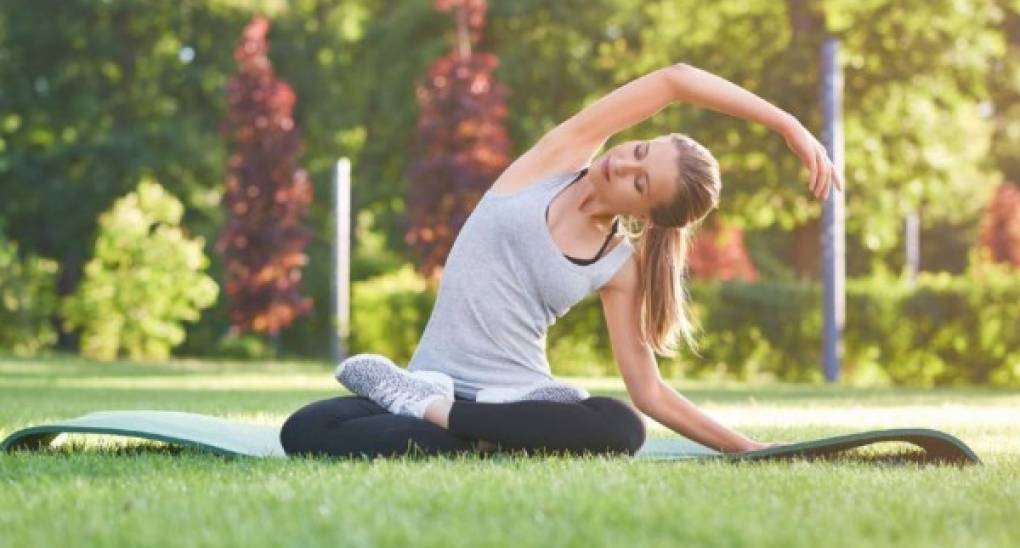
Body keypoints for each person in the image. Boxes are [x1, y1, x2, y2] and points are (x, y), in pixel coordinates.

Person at [280, 62, 843, 459]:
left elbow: (648, 394)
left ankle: (443, 421)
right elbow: (675, 79)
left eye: (640, 181)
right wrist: (787, 125)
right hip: (435, 379)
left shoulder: (619, 267)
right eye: (638, 151)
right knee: (307, 429)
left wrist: (744, 447)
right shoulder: (556, 157)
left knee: (622, 427)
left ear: (645, 212)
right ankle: (450, 420)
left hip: (520, 398)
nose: (622, 165)